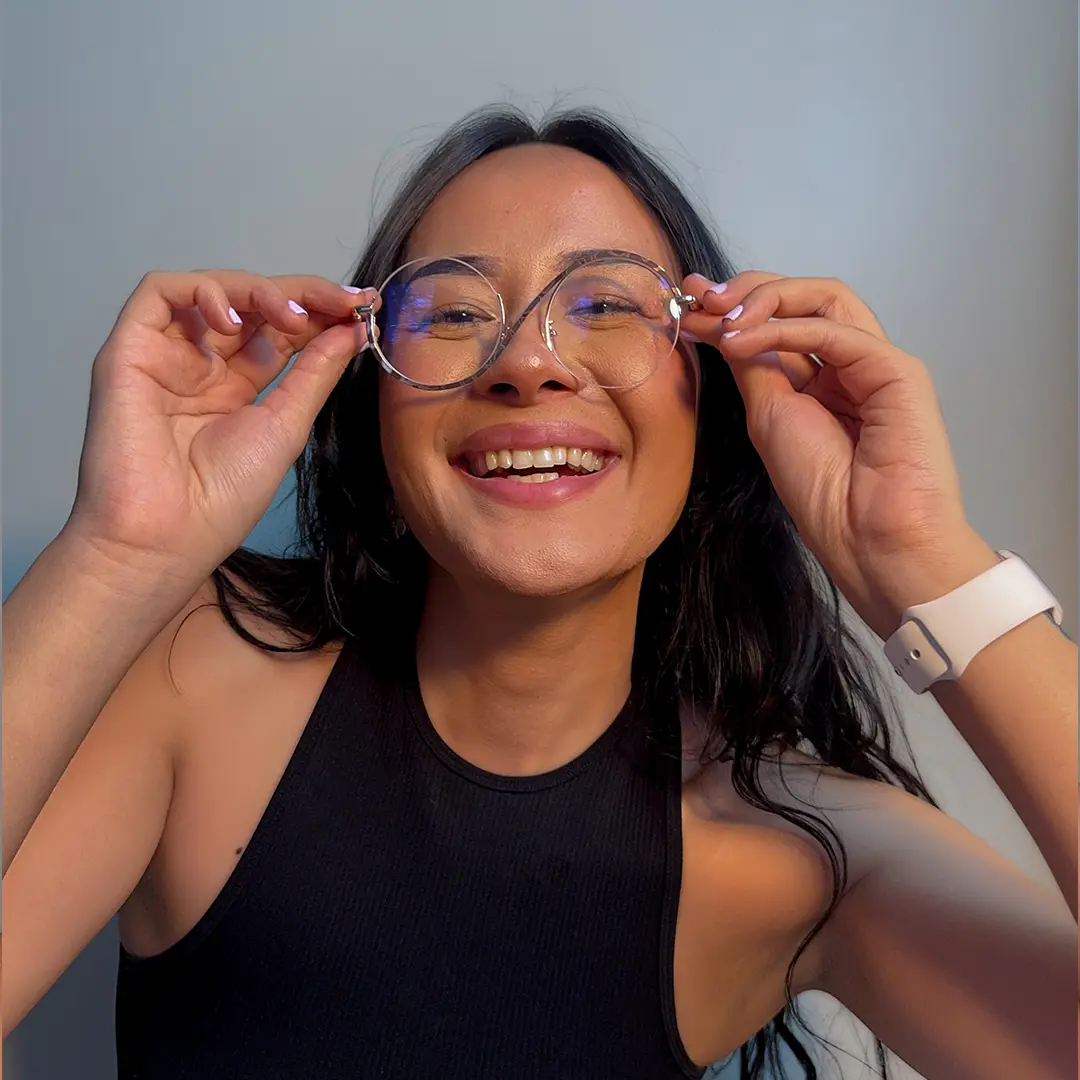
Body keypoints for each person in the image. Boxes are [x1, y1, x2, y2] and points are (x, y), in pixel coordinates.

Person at [2, 106, 1075, 1080]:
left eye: (607, 303)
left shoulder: (802, 853)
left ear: (717, 404)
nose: (527, 361)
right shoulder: (194, 673)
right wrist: (118, 559)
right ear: (372, 408)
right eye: (456, 312)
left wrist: (922, 563)